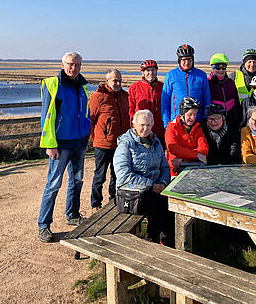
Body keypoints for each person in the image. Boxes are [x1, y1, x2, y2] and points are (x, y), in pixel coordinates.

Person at [37, 52, 91, 243]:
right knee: (53, 184)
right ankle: (43, 225)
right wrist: (50, 144)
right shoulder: (53, 84)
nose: (73, 68)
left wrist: (86, 133)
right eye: (70, 64)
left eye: (77, 64)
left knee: (77, 180)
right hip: (60, 144)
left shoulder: (82, 85)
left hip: (79, 142)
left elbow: (85, 113)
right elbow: (46, 117)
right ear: (62, 64)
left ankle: (73, 215)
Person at [113, 110, 174, 246]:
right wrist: (152, 185)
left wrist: (163, 183)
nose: (145, 129)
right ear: (134, 124)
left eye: (148, 125)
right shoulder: (126, 144)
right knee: (159, 204)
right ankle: (151, 241)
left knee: (172, 202)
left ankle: (168, 242)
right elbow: (124, 176)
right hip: (131, 192)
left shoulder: (156, 142)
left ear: (152, 124)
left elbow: (164, 167)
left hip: (156, 187)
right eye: (141, 125)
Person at [89, 69, 130, 209]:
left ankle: (114, 200)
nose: (118, 83)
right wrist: (98, 138)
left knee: (117, 174)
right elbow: (90, 120)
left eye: (120, 80)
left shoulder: (125, 96)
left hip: (121, 145)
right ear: (107, 81)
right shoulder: (98, 97)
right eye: (115, 81)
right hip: (103, 144)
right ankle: (96, 203)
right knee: (100, 176)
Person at [162, 44, 211, 128]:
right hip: (176, 121)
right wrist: (166, 124)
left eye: (189, 59)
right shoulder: (171, 75)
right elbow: (165, 102)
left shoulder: (201, 75)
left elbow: (206, 99)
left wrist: (204, 118)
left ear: (193, 60)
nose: (187, 63)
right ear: (179, 60)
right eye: (184, 60)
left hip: (196, 121)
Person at [164, 97, 209, 177]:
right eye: (190, 114)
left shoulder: (198, 128)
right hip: (175, 172)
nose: (192, 118)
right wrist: (197, 155)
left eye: (195, 114)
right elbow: (173, 148)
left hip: (195, 169)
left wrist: (184, 159)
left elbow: (204, 148)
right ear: (182, 114)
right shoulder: (172, 127)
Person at [128, 59, 165, 144]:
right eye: (148, 70)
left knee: (159, 154)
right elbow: (131, 108)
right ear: (143, 73)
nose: (151, 73)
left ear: (156, 71)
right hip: (141, 130)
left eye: (153, 70)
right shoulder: (134, 88)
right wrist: (133, 125)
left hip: (159, 129)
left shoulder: (163, 87)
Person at [208, 53, 242, 128]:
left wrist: (239, 119)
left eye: (223, 67)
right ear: (213, 68)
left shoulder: (230, 82)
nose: (221, 70)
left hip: (231, 120)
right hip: (214, 122)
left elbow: (236, 102)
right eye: (217, 68)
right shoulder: (208, 83)